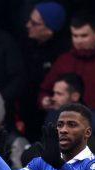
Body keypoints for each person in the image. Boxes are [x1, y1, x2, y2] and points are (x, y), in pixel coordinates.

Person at [43, 73, 95, 162]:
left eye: (59, 94)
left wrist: (91, 164)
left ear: (75, 96)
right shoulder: (52, 118)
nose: (54, 98)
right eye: (54, 93)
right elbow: (45, 148)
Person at [21, 1, 69, 141]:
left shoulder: (63, 56)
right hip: (29, 117)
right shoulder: (25, 46)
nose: (28, 25)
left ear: (50, 29)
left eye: (35, 23)